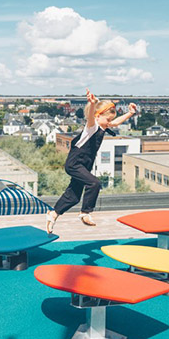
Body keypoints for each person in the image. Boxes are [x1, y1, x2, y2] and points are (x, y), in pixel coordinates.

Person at [46, 89, 137, 233]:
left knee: (74, 196)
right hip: (75, 163)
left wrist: (130, 113)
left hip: (84, 165)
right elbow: (90, 117)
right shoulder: (92, 126)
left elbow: (116, 122)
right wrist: (93, 104)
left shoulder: (103, 125)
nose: (109, 123)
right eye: (107, 120)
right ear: (98, 116)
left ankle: (53, 214)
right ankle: (85, 213)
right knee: (94, 183)